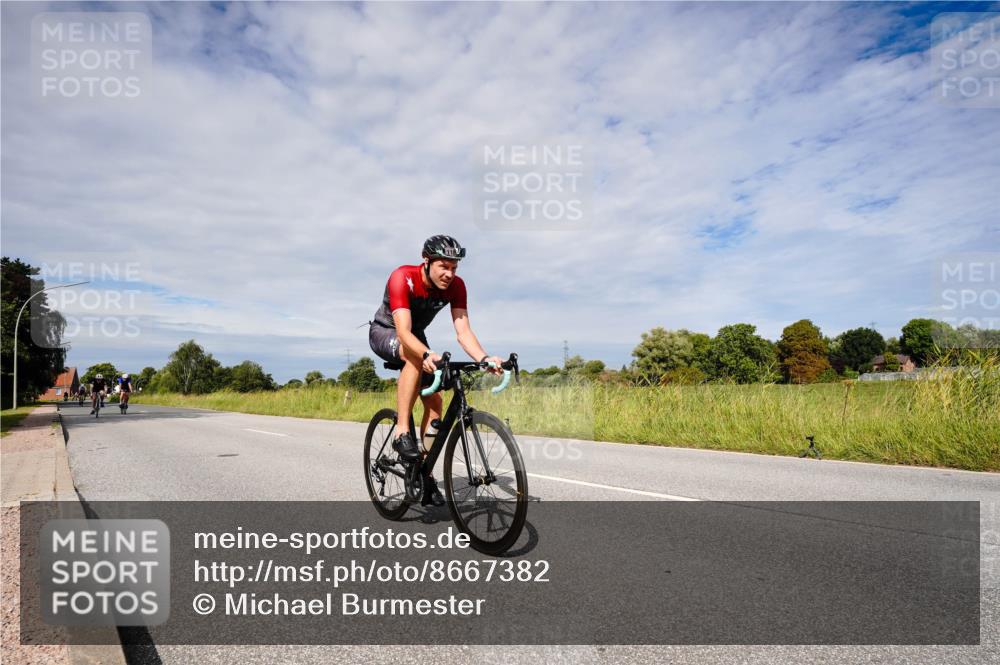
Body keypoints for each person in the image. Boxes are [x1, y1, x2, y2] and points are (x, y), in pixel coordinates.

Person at [369, 235, 503, 507]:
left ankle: (423, 472)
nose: (450, 273)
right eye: (444, 266)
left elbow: (463, 332)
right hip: (386, 331)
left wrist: (484, 358)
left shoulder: (457, 287)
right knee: (414, 357)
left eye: (454, 268)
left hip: (415, 336)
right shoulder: (402, 277)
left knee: (435, 401)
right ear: (426, 261)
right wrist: (427, 354)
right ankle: (402, 432)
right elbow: (404, 332)